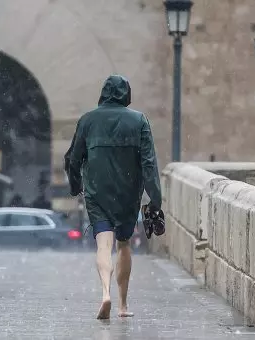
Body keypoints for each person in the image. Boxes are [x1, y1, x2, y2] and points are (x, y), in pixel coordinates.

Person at [64, 74, 162, 319]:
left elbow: (73, 159)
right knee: (124, 243)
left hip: (97, 190)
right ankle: (123, 305)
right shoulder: (139, 121)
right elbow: (149, 163)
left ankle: (105, 292)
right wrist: (156, 199)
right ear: (126, 94)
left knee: (103, 244)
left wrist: (76, 186)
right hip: (128, 192)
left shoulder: (87, 120)